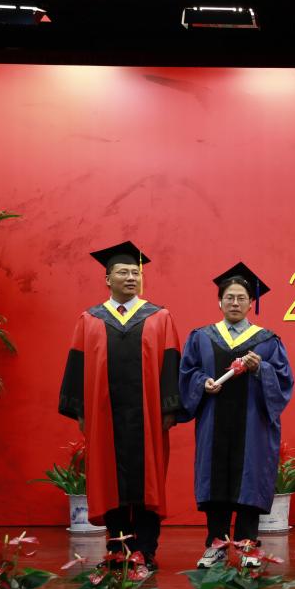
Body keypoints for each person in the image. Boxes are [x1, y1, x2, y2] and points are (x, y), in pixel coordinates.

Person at [58, 241, 185, 570]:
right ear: (107, 279)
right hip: (104, 417)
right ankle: (117, 549)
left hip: (148, 417)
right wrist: (81, 410)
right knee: (109, 479)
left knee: (147, 482)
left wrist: (169, 408)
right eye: (123, 272)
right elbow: (77, 366)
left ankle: (145, 550)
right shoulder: (90, 319)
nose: (131, 278)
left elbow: (171, 364)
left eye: (135, 273)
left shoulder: (159, 317)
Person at [181, 263, 294, 569]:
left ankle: (247, 546)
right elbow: (188, 372)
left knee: (250, 480)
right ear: (219, 301)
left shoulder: (267, 341)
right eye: (229, 297)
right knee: (215, 481)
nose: (234, 303)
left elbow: (284, 380)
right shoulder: (202, 337)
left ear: (251, 302)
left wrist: (261, 368)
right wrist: (201, 383)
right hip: (214, 422)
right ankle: (216, 546)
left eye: (241, 298)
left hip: (253, 424)